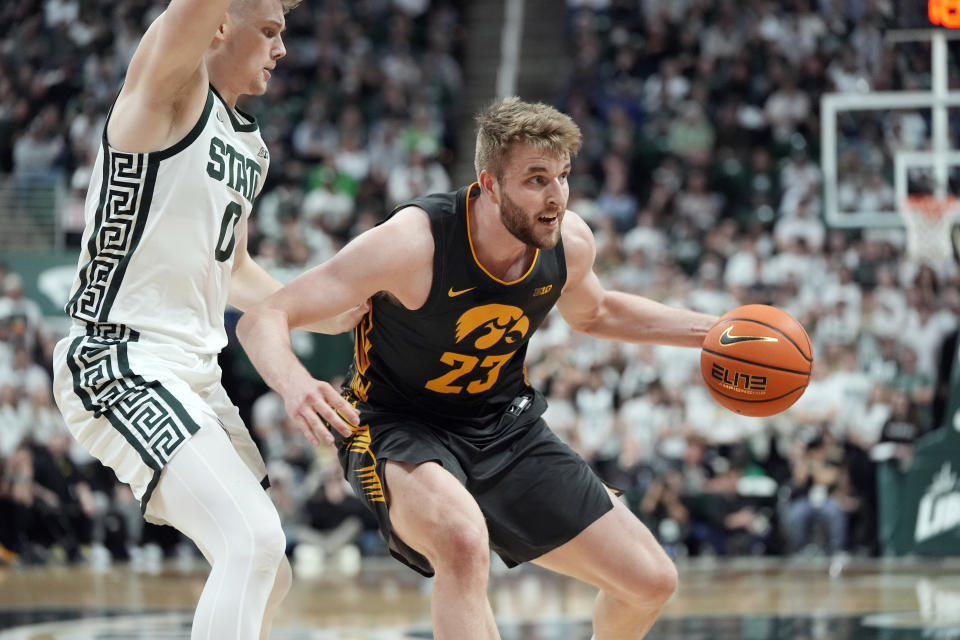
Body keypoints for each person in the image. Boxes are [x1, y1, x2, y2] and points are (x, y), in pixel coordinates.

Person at [237, 97, 718, 639]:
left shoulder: (568, 241)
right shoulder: (414, 241)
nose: (556, 196)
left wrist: (715, 332)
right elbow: (262, 319)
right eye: (536, 179)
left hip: (503, 426)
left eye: (562, 176)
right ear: (489, 184)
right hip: (392, 426)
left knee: (650, 581)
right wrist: (297, 384)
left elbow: (597, 311)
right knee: (462, 543)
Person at [50, 1, 363, 638]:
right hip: (120, 358)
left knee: (269, 566)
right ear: (221, 25)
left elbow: (236, 268)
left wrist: (320, 315)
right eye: (270, 32)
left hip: (195, 374)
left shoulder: (249, 143)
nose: (281, 51)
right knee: (249, 543)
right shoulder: (170, 89)